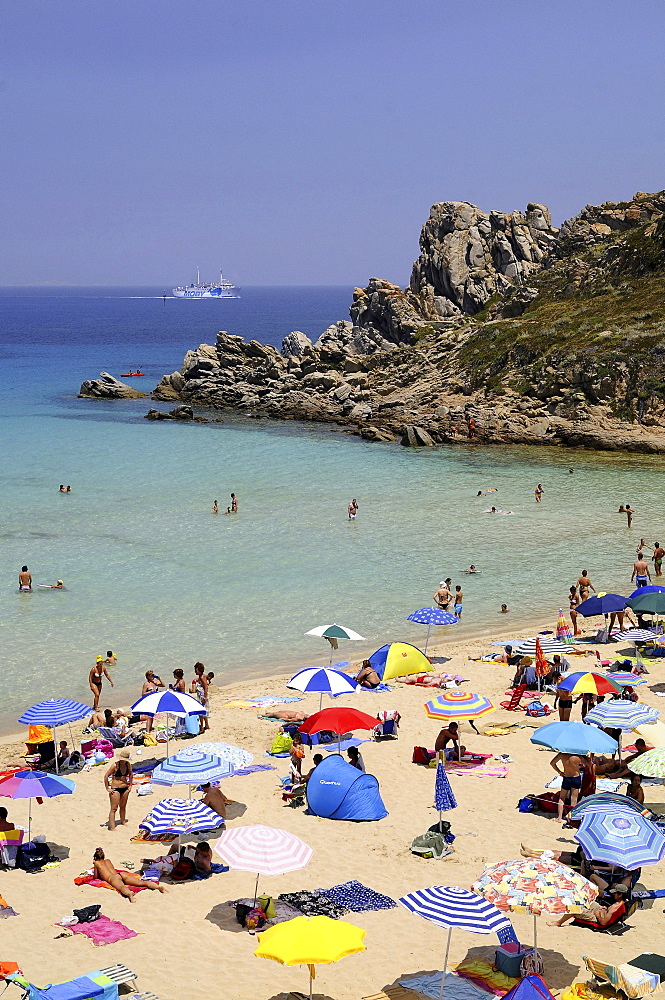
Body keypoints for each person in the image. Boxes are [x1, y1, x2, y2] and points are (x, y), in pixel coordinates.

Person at [92, 848, 167, 901]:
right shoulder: (108, 861)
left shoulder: (96, 863)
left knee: (121, 887)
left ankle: (130, 895)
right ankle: (158, 887)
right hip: (121, 874)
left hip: (113, 878)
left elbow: (95, 877)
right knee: (141, 883)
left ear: (95, 857)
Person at [548, 887, 628, 928]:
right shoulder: (622, 902)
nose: (614, 895)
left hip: (597, 918)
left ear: (620, 895)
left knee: (575, 909)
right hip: (602, 912)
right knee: (588, 901)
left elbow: (603, 922)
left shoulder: (615, 907)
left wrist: (597, 914)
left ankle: (558, 923)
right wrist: (604, 909)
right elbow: (609, 914)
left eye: (615, 893)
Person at [104, 748, 133, 830]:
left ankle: (123, 821)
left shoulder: (128, 765)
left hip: (125, 788)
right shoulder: (115, 765)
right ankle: (112, 827)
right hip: (115, 789)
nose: (122, 761)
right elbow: (106, 776)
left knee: (123, 806)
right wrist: (107, 788)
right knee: (114, 808)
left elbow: (131, 775)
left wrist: (130, 785)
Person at [550, 751, 584, 821]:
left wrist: (559, 772)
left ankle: (559, 817)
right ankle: (571, 818)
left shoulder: (562, 754)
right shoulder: (577, 756)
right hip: (576, 777)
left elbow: (552, 763)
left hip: (567, 777)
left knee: (562, 798)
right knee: (574, 798)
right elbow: (588, 764)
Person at [190, 662, 210, 733]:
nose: (195, 671)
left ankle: (201, 727)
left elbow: (206, 687)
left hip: (202, 696)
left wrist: (204, 698)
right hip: (203, 695)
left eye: (196, 670)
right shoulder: (202, 676)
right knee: (204, 711)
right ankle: (206, 725)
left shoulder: (201, 677)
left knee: (200, 712)